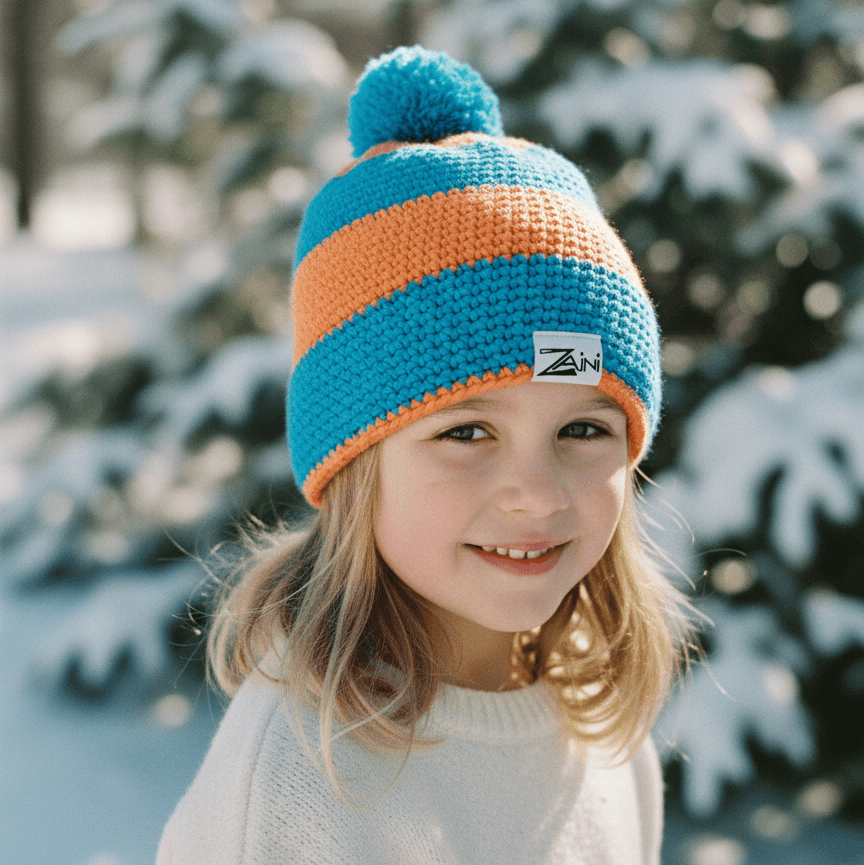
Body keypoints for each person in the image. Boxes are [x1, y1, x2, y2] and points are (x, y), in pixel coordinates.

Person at [156, 45, 693, 865]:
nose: (537, 493)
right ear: (354, 462)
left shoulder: (606, 738)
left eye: (583, 429)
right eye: (466, 433)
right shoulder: (296, 786)